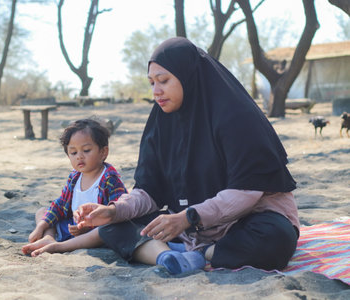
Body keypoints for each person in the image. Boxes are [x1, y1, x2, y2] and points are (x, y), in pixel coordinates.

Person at [74, 37, 299, 275]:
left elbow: (247, 192)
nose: (156, 92)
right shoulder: (161, 122)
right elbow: (149, 191)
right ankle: (168, 256)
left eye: (163, 81)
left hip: (246, 219)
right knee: (114, 225)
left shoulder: (235, 115)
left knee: (275, 240)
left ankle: (199, 254)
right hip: (186, 225)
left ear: (189, 75)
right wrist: (114, 210)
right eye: (151, 83)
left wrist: (189, 217)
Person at [22, 118, 127, 257]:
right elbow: (60, 205)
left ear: (103, 152)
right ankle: (49, 237)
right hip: (72, 228)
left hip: (95, 233)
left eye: (86, 150)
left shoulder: (109, 179)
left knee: (107, 230)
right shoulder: (74, 178)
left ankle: (59, 246)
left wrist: (89, 228)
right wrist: (41, 226)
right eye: (73, 152)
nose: (79, 157)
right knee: (42, 211)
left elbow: (119, 214)